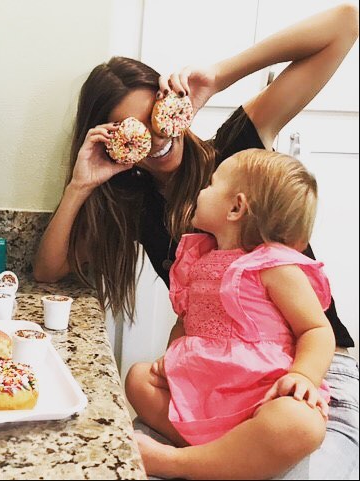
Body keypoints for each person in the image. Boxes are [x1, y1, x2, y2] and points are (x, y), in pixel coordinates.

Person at [33, 4, 359, 479]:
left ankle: (189, 461)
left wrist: (220, 75)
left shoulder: (237, 156)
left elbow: (346, 22)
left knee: (290, 436)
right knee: (134, 389)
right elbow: (48, 270)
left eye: (157, 115)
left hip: (303, 377)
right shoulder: (135, 204)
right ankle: (228, 456)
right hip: (214, 388)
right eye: (135, 130)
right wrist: (81, 185)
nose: (156, 135)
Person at [128, 149, 334, 479]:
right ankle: (229, 458)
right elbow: (186, 323)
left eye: (210, 184)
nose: (200, 190)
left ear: (236, 208)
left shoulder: (273, 266)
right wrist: (172, 361)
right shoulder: (198, 260)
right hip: (206, 390)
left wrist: (304, 376)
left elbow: (316, 330)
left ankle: (179, 461)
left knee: (301, 424)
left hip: (259, 396)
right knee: (138, 379)